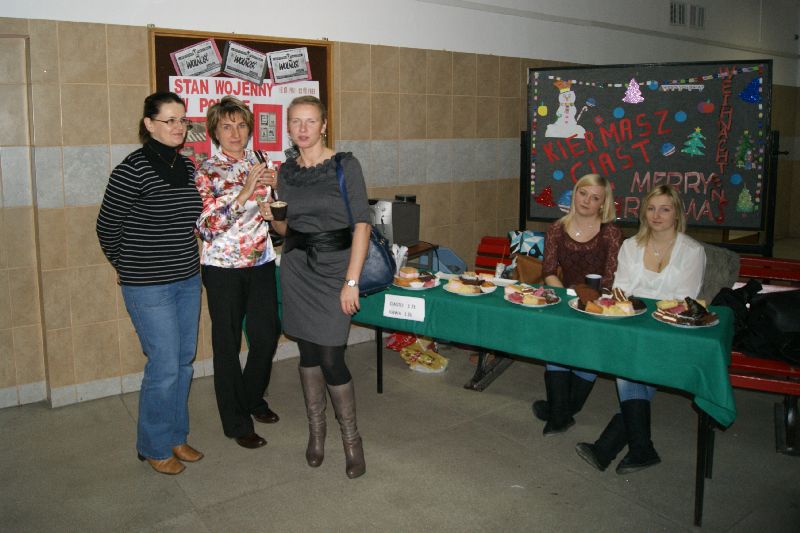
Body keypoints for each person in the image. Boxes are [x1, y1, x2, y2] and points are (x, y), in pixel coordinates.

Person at [96, 92, 203, 475]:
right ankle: (153, 446)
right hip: (148, 285)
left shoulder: (186, 166)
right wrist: (128, 266)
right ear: (149, 124)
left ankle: (175, 436)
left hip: (187, 279)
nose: (178, 127)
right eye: (169, 120)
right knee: (164, 366)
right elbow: (107, 227)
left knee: (183, 362)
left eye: (182, 120)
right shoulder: (132, 170)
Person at [268, 95, 369, 479]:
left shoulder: (345, 165)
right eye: (296, 121)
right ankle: (316, 431)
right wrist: (272, 217)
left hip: (335, 270)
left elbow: (362, 224)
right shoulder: (286, 171)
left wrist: (351, 281)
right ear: (288, 127)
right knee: (308, 353)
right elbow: (285, 229)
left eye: (311, 121)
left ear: (324, 125)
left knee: (331, 357)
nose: (303, 128)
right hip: (297, 268)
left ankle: (351, 439)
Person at [576, 185, 706, 474]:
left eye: (665, 209)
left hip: (671, 329)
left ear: (677, 213)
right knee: (631, 363)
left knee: (630, 366)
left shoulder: (692, 251)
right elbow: (621, 290)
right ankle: (639, 449)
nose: (656, 215)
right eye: (651, 208)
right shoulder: (631, 246)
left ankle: (615, 448)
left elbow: (684, 300)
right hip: (632, 324)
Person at [195, 96, 281, 450]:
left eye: (242, 125)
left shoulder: (261, 160)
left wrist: (274, 201)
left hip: (261, 261)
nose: (235, 132)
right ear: (215, 132)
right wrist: (244, 192)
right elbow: (206, 228)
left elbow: (272, 210)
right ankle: (236, 421)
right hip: (222, 268)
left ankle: (251, 397)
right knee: (227, 344)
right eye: (227, 126)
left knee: (267, 335)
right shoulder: (205, 170)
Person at [534, 174, 622, 435]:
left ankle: (559, 411)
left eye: (595, 197)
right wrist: (568, 298)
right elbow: (549, 271)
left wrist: (589, 302)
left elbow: (610, 278)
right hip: (565, 298)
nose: (586, 200)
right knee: (557, 344)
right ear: (575, 193)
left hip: (600, 303)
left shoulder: (611, 233)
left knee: (588, 352)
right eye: (583, 193)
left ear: (603, 203)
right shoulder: (556, 228)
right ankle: (560, 414)